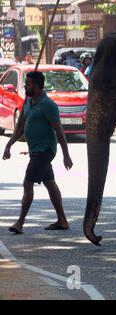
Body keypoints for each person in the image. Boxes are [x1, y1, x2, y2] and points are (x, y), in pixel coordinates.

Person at [2, 71, 73, 234]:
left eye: (28, 84)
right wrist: (8, 145)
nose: (25, 86)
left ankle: (20, 222)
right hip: (35, 150)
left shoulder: (48, 105)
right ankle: (62, 220)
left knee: (28, 182)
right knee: (49, 182)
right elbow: (20, 128)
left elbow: (59, 132)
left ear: (38, 86)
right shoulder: (28, 103)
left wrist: (66, 155)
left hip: (45, 150)